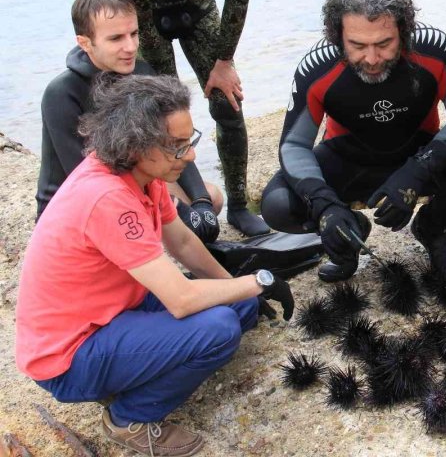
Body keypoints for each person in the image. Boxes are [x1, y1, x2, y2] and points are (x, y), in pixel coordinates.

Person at [16, 74, 294, 457]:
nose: (191, 156)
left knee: (239, 304)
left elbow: (181, 241)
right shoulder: (106, 197)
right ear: (135, 144)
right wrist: (259, 281)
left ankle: (135, 368)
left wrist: (241, 288)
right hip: (69, 355)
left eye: (188, 141)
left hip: (114, 313)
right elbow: (180, 299)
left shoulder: (144, 173)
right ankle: (129, 418)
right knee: (219, 327)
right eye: (177, 147)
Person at [260, 0, 446, 282]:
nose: (371, 59)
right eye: (357, 46)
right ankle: (348, 235)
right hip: (347, 160)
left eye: (384, 44)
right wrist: (325, 206)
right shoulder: (317, 67)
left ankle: (432, 229)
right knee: (277, 204)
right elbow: (294, 145)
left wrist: (419, 171)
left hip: (419, 153)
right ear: (337, 36)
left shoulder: (433, 50)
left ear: (404, 32)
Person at [120, 0, 268, 236]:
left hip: (198, 9)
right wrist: (164, 89)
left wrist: (224, 61)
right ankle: (182, 210)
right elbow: (137, 15)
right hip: (148, 18)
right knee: (167, 118)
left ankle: (237, 206)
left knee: (228, 103)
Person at [37, 0, 223, 243]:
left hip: (132, 179)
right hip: (77, 204)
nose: (131, 46)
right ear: (85, 43)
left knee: (212, 197)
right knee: (172, 212)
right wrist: (176, 207)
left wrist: (201, 202)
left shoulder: (143, 73)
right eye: (116, 39)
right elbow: (86, 178)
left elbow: (176, 144)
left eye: (133, 34)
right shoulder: (61, 94)